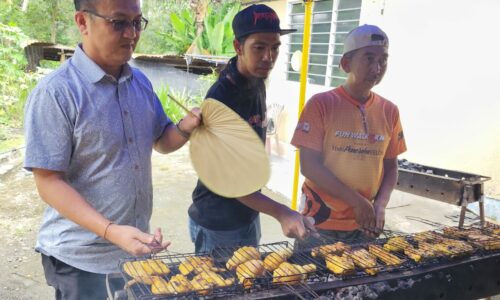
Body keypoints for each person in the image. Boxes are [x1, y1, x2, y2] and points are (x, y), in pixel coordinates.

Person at [23, 0, 200, 298]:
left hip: (132, 247)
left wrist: (185, 127)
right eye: (119, 22)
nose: (131, 34)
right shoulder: (56, 93)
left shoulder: (139, 82)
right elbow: (48, 181)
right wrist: (110, 230)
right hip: (80, 258)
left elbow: (161, 140)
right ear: (82, 22)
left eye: (137, 22)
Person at [189, 4, 316, 254]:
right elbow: (231, 180)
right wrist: (282, 212)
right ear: (238, 47)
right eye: (259, 47)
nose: (269, 57)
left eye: (275, 48)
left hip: (247, 213)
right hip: (217, 222)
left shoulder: (256, 80)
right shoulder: (221, 99)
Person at [291, 24, 407, 247]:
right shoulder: (322, 104)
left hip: (365, 223)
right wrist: (358, 202)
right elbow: (309, 166)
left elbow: (391, 166)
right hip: (320, 223)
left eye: (383, 60)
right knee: (310, 278)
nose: (377, 67)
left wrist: (380, 206)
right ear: (346, 64)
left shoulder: (389, 111)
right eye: (369, 58)